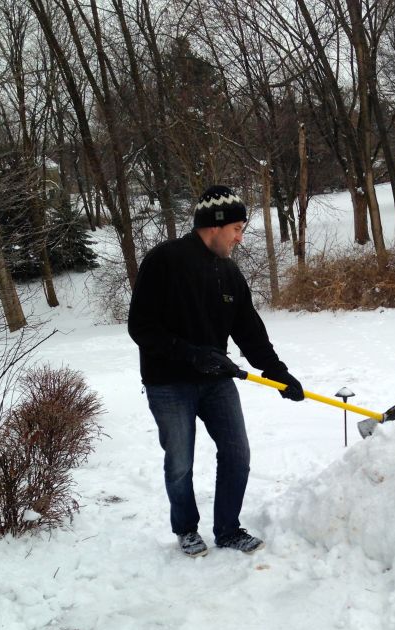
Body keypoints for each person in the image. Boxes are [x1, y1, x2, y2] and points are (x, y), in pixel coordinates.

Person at [128, 185, 304, 558]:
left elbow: (249, 331)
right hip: (168, 383)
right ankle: (186, 528)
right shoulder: (164, 261)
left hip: (216, 382)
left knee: (237, 453)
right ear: (216, 224)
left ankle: (227, 528)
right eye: (237, 228)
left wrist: (279, 374)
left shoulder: (229, 273)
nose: (240, 238)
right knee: (180, 461)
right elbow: (140, 327)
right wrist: (191, 355)